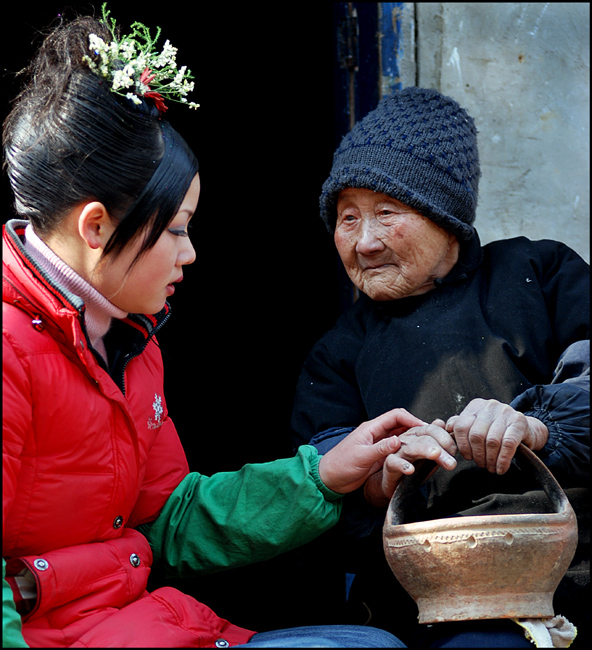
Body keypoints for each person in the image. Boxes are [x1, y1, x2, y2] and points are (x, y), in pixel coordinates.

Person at [1, 8, 424, 648]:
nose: (190, 252)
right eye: (175, 230)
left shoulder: (128, 344)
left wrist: (324, 475)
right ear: (95, 228)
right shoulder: (10, 349)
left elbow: (169, 518)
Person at [290, 86, 590, 647]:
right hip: (423, 605)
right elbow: (319, 484)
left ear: (446, 217)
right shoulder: (338, 351)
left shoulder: (541, 274)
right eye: (347, 218)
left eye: (386, 213)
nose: (366, 241)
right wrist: (380, 480)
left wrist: (532, 427)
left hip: (564, 586)